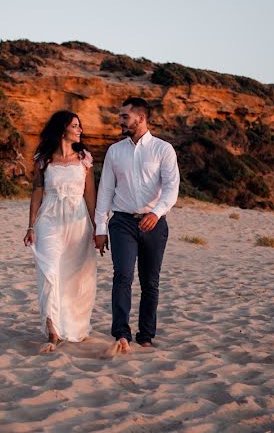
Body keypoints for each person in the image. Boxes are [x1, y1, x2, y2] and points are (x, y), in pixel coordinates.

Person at [95, 97, 180, 355]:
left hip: (154, 223)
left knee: (149, 281)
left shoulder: (163, 149)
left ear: (141, 118)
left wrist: (156, 213)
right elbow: (105, 189)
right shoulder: (114, 151)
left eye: (125, 117)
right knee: (122, 275)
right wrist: (100, 227)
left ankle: (146, 335)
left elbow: (171, 187)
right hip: (121, 222)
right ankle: (121, 332)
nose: (120, 120)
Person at [24, 110, 101, 353]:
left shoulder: (84, 159)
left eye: (80, 126)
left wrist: (98, 225)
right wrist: (30, 225)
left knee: (75, 276)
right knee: (49, 270)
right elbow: (37, 192)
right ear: (62, 129)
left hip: (78, 220)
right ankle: (53, 332)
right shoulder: (43, 159)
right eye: (75, 125)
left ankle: (73, 325)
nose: (80, 130)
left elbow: (90, 195)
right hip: (49, 218)